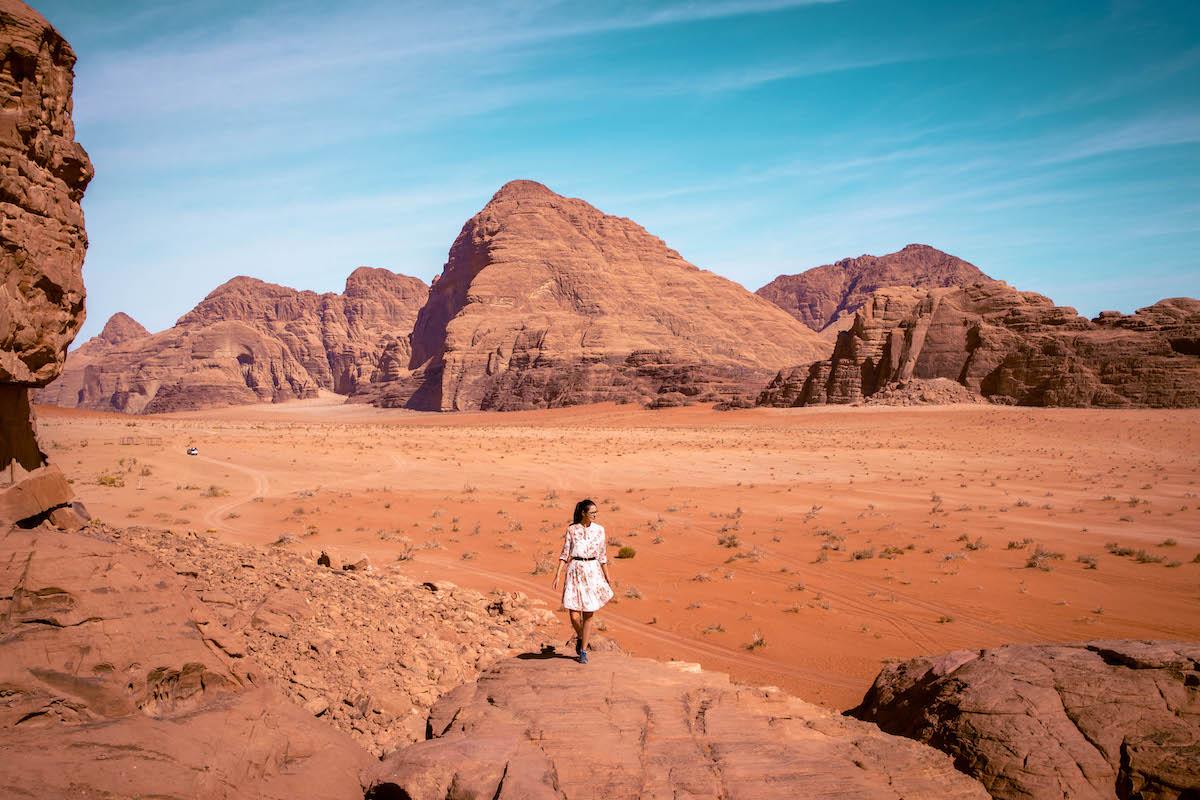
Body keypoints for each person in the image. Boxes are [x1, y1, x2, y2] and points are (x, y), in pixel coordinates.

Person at [552, 499, 613, 664]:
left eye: (596, 512)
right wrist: (557, 574)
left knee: (588, 613)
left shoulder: (600, 530)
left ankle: (583, 651)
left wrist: (607, 576)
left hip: (592, 571)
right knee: (573, 614)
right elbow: (565, 553)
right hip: (575, 571)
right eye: (592, 512)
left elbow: (602, 555)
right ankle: (580, 636)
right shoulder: (572, 530)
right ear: (583, 513)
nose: (595, 515)